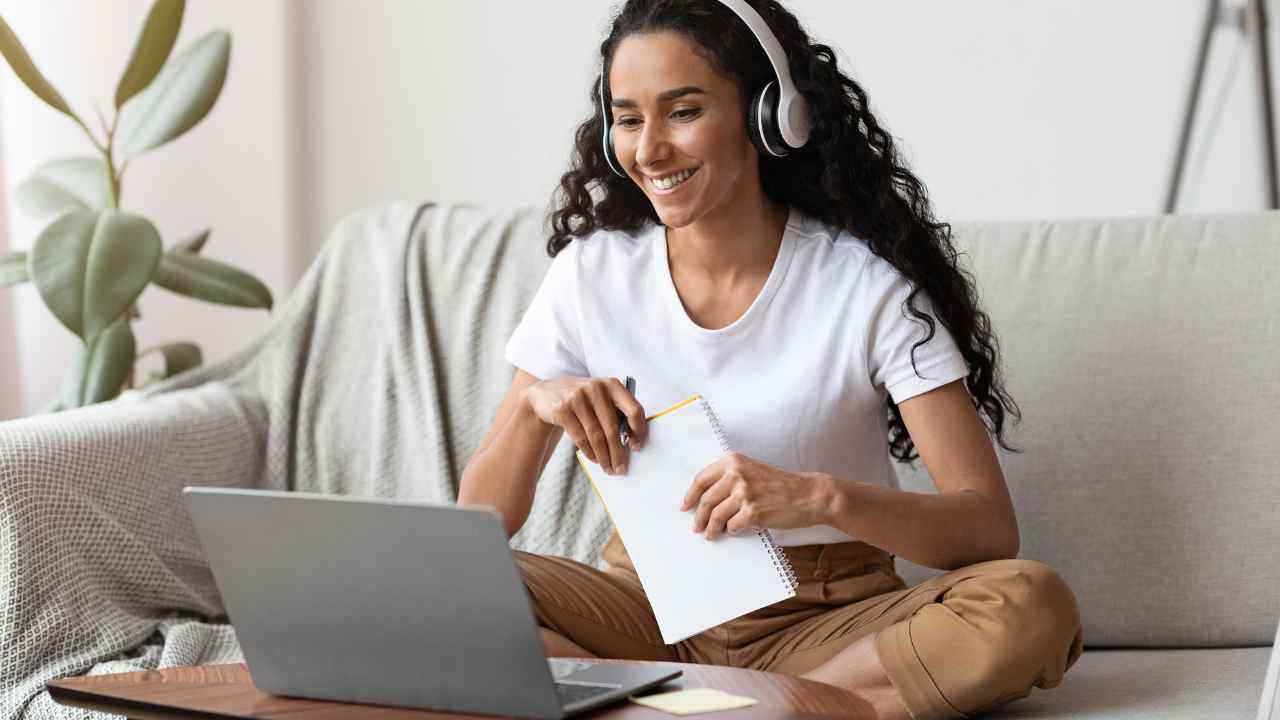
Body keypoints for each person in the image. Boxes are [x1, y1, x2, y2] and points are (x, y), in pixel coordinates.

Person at [457, 1, 1083, 718]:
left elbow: (987, 527)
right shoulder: (589, 274)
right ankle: (752, 707)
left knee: (1029, 605)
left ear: (770, 117)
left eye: (682, 112)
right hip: (643, 604)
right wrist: (538, 409)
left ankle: (662, 703)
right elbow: (481, 520)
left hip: (821, 618)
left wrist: (821, 498)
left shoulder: (862, 287)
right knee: (434, 580)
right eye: (628, 119)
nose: (650, 149)